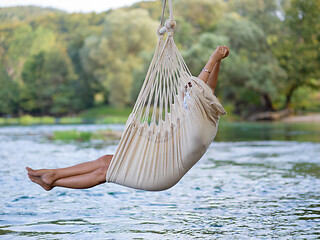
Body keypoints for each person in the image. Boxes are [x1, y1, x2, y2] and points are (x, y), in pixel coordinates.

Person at [26, 46, 230, 191]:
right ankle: (53, 175)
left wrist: (213, 59)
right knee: (105, 161)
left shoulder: (199, 120)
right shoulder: (199, 114)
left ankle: (53, 180)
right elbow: (207, 89)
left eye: (190, 88)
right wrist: (218, 60)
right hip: (160, 166)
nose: (187, 88)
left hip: (161, 174)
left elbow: (201, 90)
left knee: (105, 173)